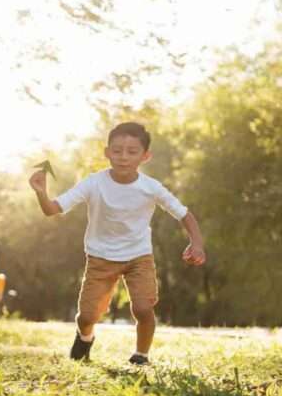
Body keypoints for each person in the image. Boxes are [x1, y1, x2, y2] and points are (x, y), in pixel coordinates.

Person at [28, 122, 206, 365]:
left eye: (132, 152)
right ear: (107, 152)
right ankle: (85, 337)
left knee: (143, 309)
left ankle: (141, 356)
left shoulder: (150, 187)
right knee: (87, 316)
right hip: (100, 257)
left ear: (145, 156)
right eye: (117, 150)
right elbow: (52, 209)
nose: (123, 157)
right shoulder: (93, 183)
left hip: (138, 257)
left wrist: (196, 243)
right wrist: (41, 192)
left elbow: (184, 214)